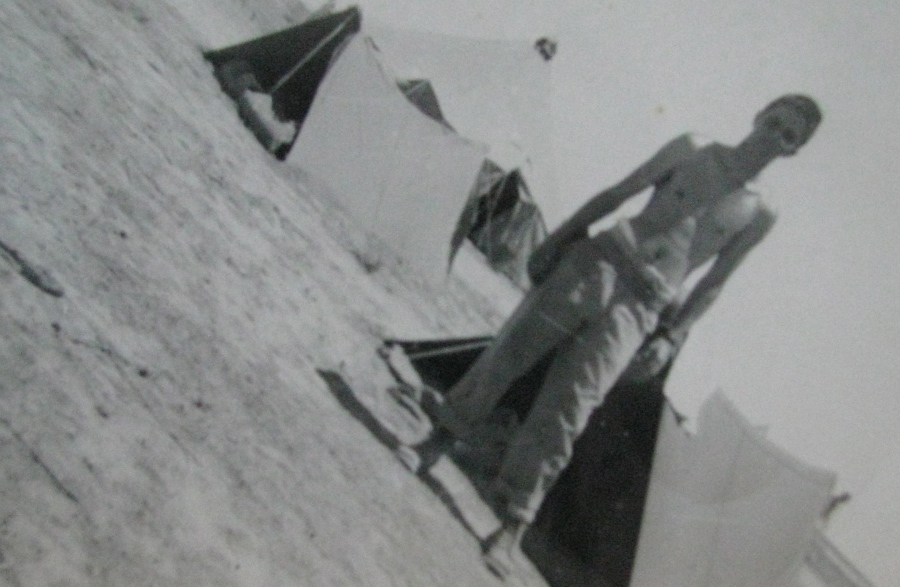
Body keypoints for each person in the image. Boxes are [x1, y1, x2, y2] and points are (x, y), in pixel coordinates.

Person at [396, 95, 822, 579]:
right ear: (759, 115)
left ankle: (513, 523)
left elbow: (712, 284)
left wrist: (670, 336)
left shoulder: (760, 213)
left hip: (644, 305)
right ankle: (436, 442)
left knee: (570, 408)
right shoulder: (693, 146)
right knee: (510, 354)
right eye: (776, 122)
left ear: (792, 151)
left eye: (790, 136)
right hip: (601, 261)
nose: (776, 135)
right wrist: (558, 239)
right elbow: (619, 193)